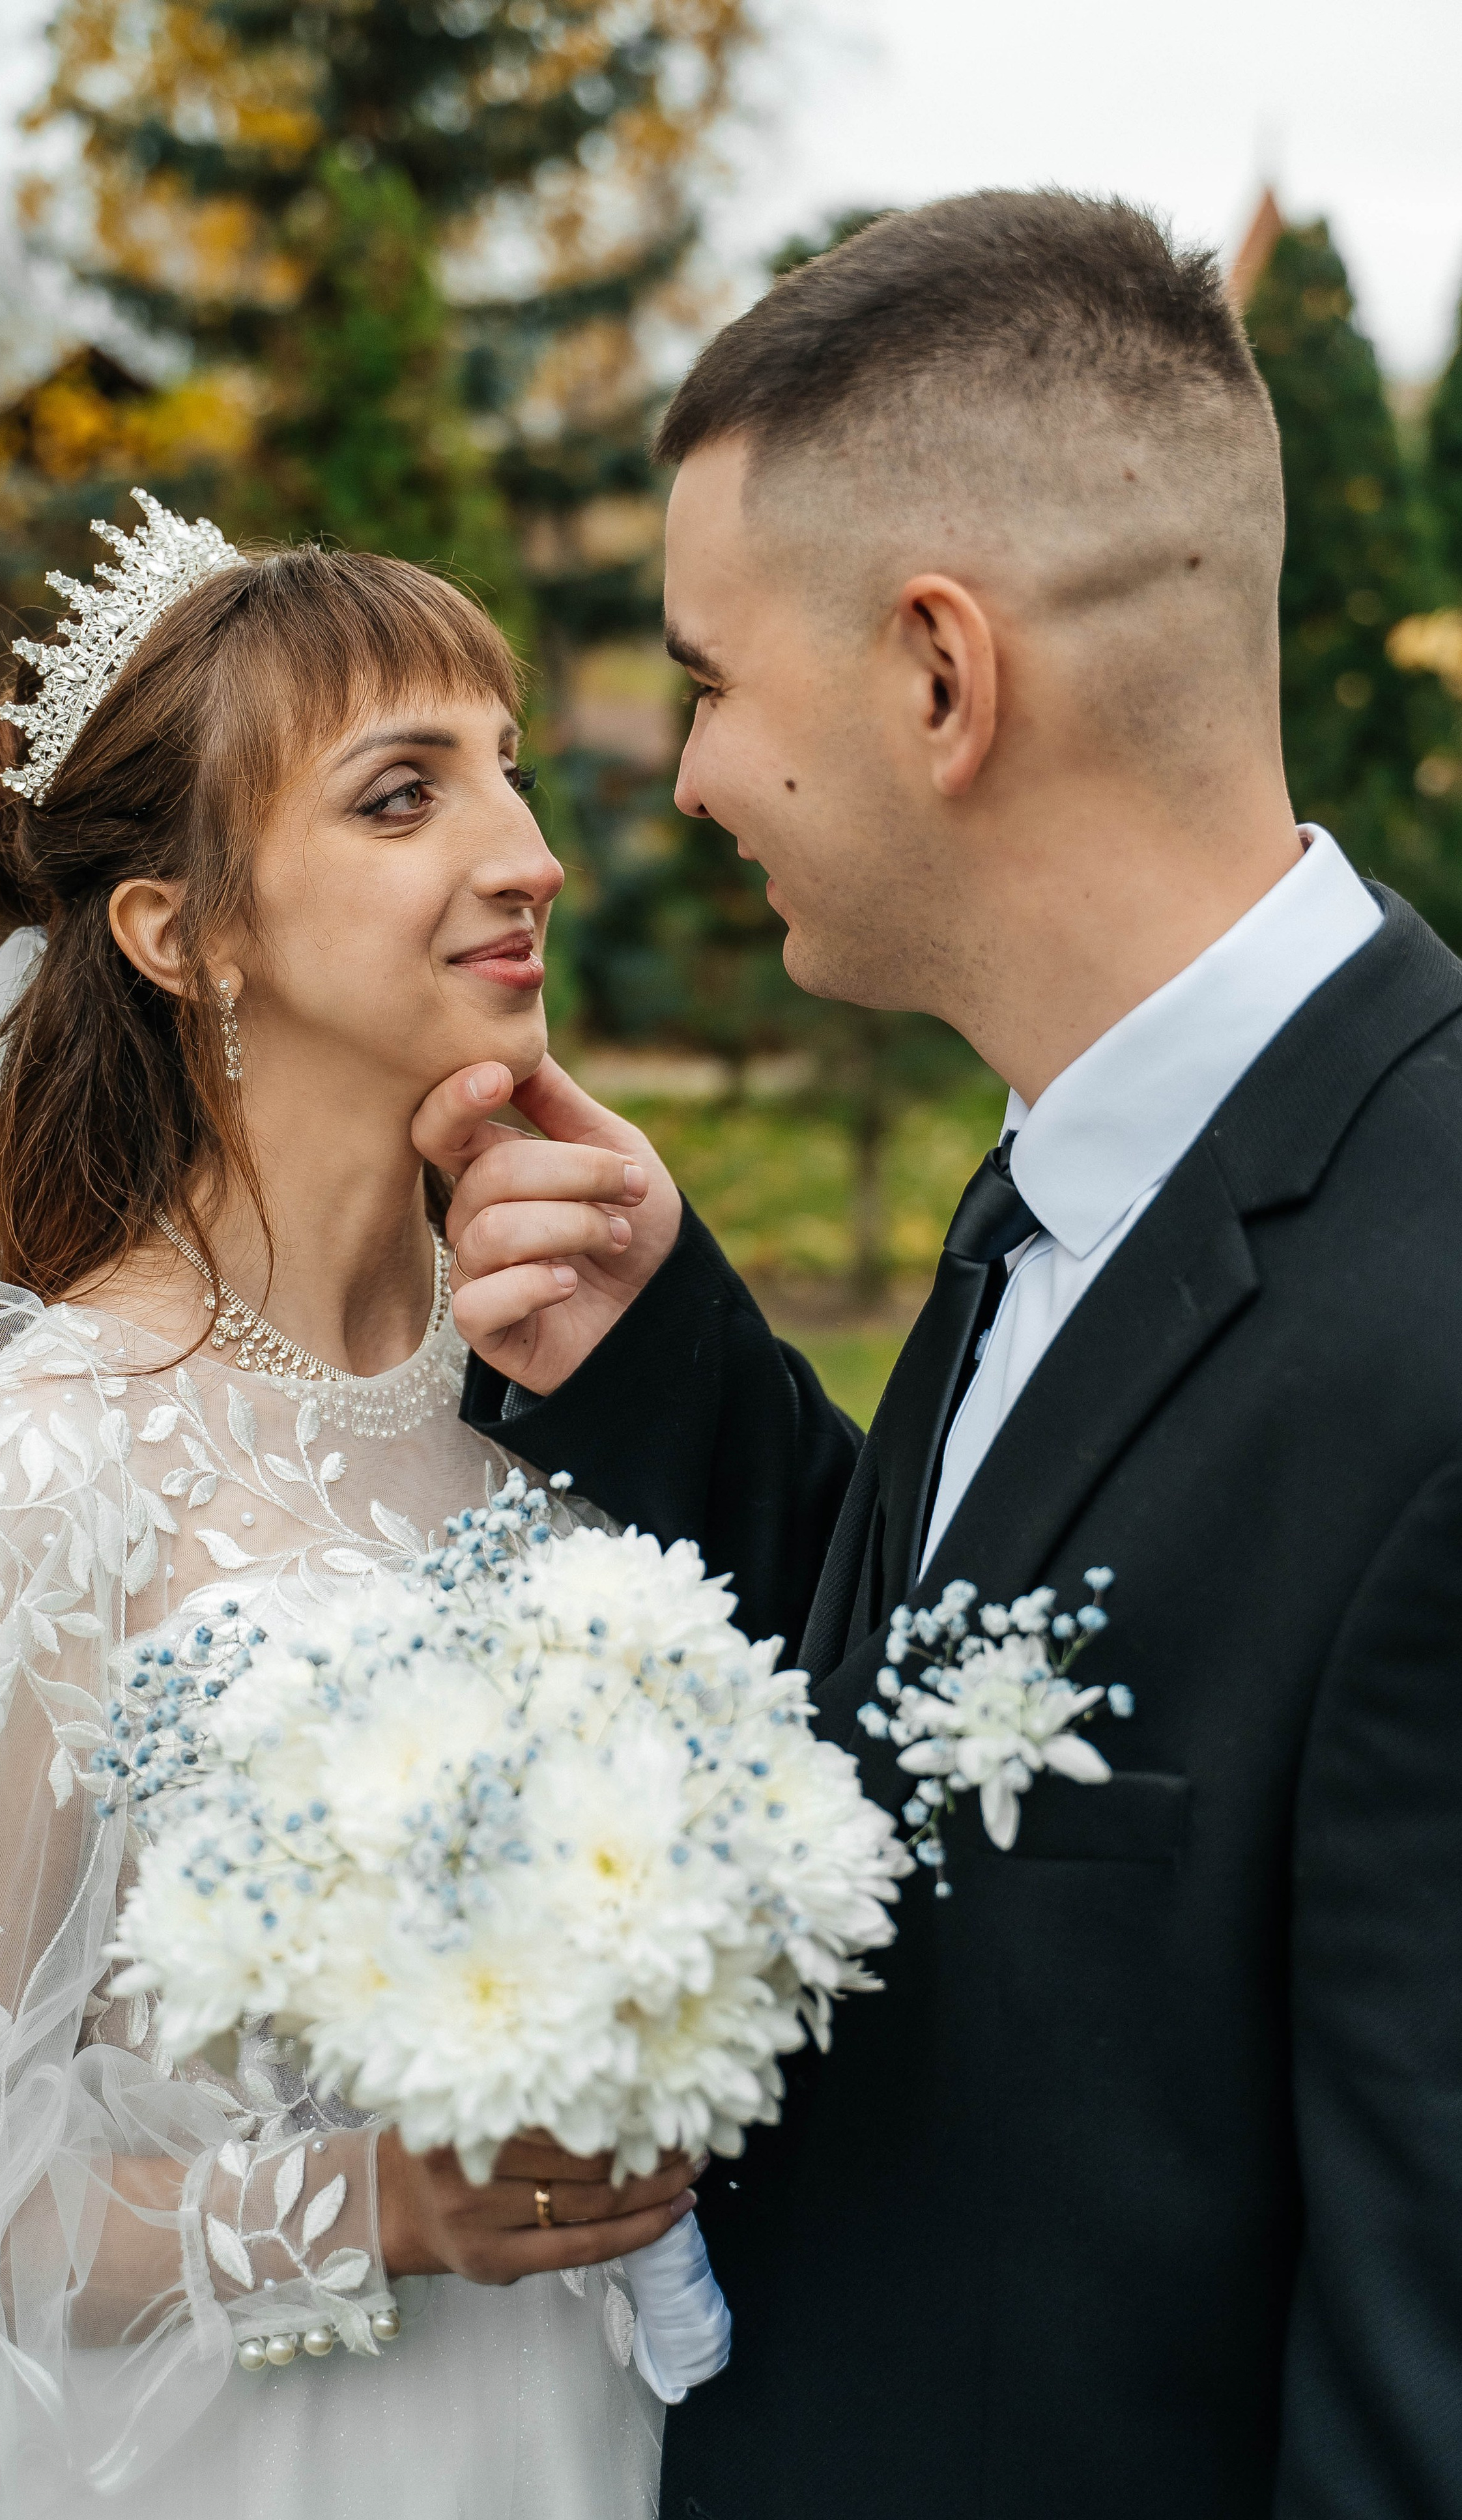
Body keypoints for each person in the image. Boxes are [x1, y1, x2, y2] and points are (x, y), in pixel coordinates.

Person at [414, 193, 1462, 2517]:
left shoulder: (1437, 1340)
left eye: (706, 678)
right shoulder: (1075, 1159)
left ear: (937, 679)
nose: (677, 782)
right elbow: (945, 1703)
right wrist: (672, 1355)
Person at [0, 500, 703, 2519]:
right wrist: (369, 2203)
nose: (527, 853)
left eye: (509, 769)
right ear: (179, 929)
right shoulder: (56, 1457)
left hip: (596, 2429)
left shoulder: (577, 1381)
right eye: (405, 795)